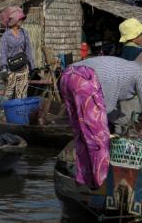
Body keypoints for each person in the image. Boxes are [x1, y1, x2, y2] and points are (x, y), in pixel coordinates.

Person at [59, 56, 142, 189]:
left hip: (68, 75)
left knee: (81, 133)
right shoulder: (140, 73)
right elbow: (105, 110)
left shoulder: (128, 67)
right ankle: (101, 184)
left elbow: (108, 110)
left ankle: (84, 179)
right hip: (86, 79)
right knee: (99, 138)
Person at [0, 6, 35, 100]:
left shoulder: (24, 33)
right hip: (11, 68)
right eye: (20, 19)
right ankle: (3, 113)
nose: (22, 21)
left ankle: (20, 112)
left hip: (23, 68)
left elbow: (28, 50)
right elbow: (3, 52)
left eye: (22, 19)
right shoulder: (6, 35)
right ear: (14, 20)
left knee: (22, 93)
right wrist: (3, 68)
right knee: (9, 93)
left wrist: (32, 66)